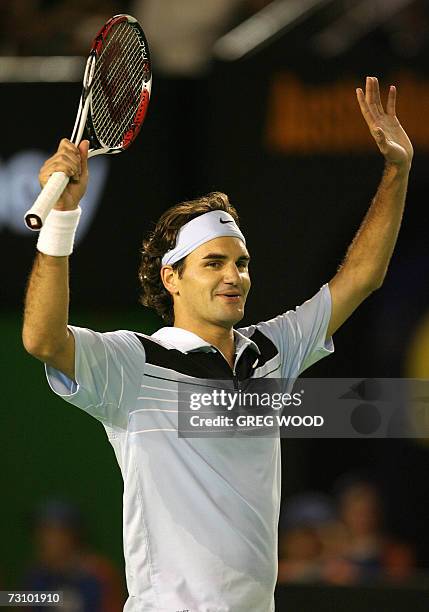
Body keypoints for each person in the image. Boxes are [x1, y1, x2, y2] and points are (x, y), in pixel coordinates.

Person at [23, 77, 413, 611]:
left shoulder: (273, 351)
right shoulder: (133, 362)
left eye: (242, 262)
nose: (235, 276)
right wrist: (62, 218)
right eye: (213, 262)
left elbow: (363, 276)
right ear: (172, 278)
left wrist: (396, 169)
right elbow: (43, 338)